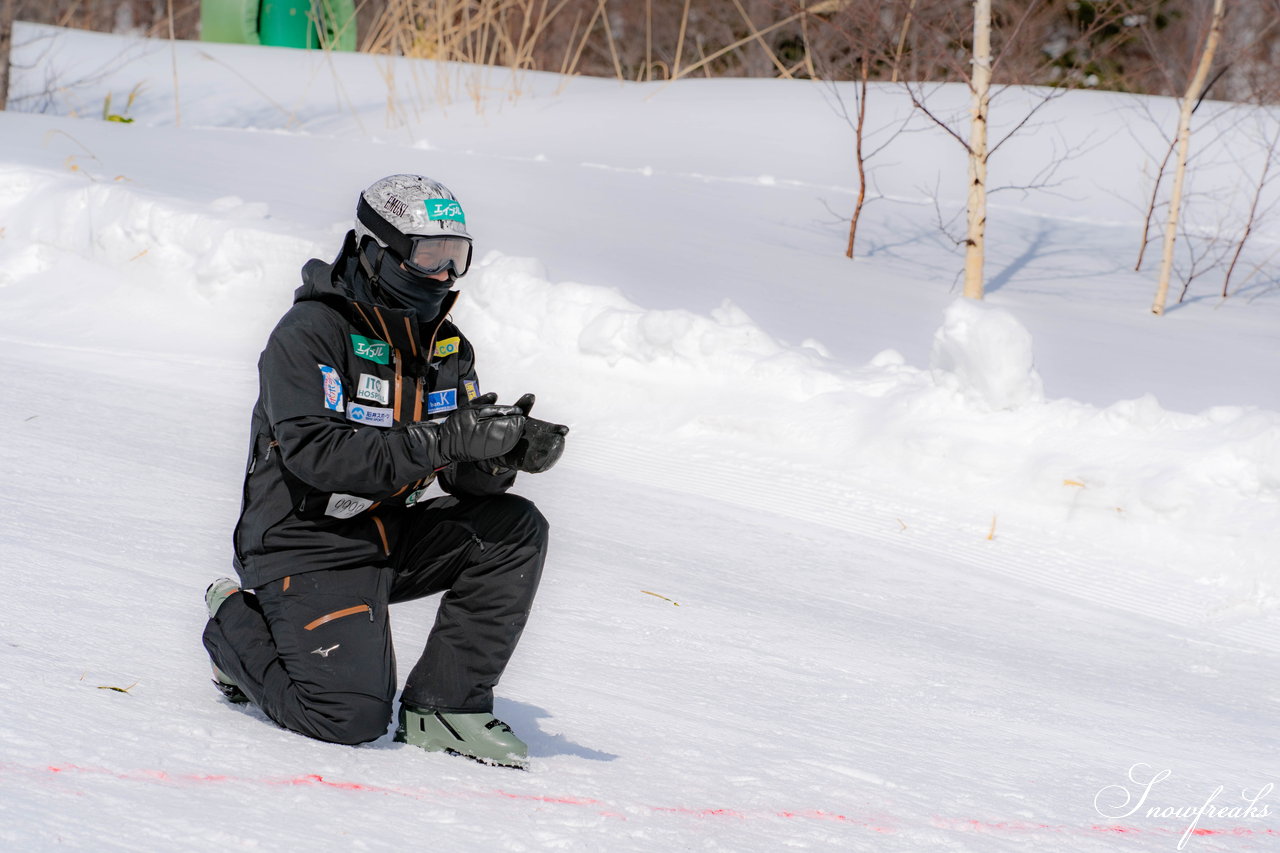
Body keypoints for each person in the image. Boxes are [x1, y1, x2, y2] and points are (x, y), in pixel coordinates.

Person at [202, 174, 568, 769]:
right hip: (304, 544)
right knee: (347, 719)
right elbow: (319, 455)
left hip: (389, 534)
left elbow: (458, 478)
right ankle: (233, 627)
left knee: (514, 527)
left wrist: (497, 458)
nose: (446, 276)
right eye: (430, 256)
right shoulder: (309, 335)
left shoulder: (447, 348)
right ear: (378, 250)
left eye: (458, 259)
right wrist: (445, 438)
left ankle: (446, 707)